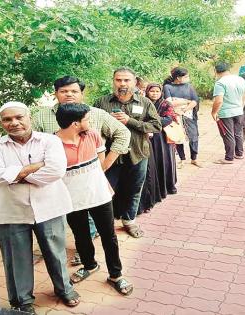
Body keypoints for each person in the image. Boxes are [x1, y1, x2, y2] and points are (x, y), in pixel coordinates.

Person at [0, 102, 80, 314]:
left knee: (55, 252)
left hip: (50, 206)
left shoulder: (50, 141)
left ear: (29, 118)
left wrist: (14, 176)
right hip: (10, 211)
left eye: (19, 117)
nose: (14, 123)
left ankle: (65, 289)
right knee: (15, 258)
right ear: (2, 123)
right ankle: (21, 300)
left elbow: (55, 171)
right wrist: (34, 168)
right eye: (7, 119)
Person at [32, 75, 131, 265]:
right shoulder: (41, 117)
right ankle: (84, 259)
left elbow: (123, 133)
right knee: (77, 227)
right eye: (64, 91)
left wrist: (104, 165)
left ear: (81, 93)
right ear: (56, 94)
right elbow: (34, 148)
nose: (69, 94)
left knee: (102, 228)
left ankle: (109, 269)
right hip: (63, 187)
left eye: (74, 91)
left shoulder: (96, 114)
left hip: (93, 183)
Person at [55, 104, 133, 295]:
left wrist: (98, 182)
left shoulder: (93, 135)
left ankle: (116, 275)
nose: (90, 122)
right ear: (75, 123)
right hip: (72, 199)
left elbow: (100, 164)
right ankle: (90, 265)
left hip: (100, 195)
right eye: (87, 119)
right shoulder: (52, 143)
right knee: (81, 235)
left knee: (109, 236)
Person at [94, 67, 162, 238]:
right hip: (109, 156)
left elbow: (156, 126)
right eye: (118, 80)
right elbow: (91, 128)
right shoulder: (101, 102)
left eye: (126, 80)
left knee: (134, 189)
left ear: (134, 82)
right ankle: (100, 227)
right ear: (113, 81)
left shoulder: (145, 103)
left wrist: (130, 121)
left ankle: (129, 221)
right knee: (104, 190)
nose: (122, 83)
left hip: (138, 153)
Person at [163, 67, 202, 168]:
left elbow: (195, 101)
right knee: (178, 137)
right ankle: (182, 159)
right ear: (178, 77)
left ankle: (194, 158)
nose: (188, 78)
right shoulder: (167, 87)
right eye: (185, 76)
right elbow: (169, 102)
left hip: (189, 114)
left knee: (193, 137)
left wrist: (184, 109)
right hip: (175, 115)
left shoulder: (189, 86)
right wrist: (186, 101)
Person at [145, 83, 178, 196]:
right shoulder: (143, 102)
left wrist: (151, 122)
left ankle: (168, 187)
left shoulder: (166, 104)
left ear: (161, 92)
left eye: (157, 91)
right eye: (152, 91)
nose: (155, 94)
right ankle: (154, 189)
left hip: (163, 138)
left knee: (165, 161)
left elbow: (168, 119)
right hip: (147, 136)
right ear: (147, 92)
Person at [211, 62, 245, 164]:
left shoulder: (220, 83)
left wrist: (214, 112)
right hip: (239, 111)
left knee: (228, 134)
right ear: (228, 69)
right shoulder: (240, 79)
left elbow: (219, 100)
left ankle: (229, 157)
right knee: (238, 133)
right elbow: (244, 96)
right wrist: (240, 107)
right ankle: (239, 153)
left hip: (226, 113)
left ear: (216, 71)